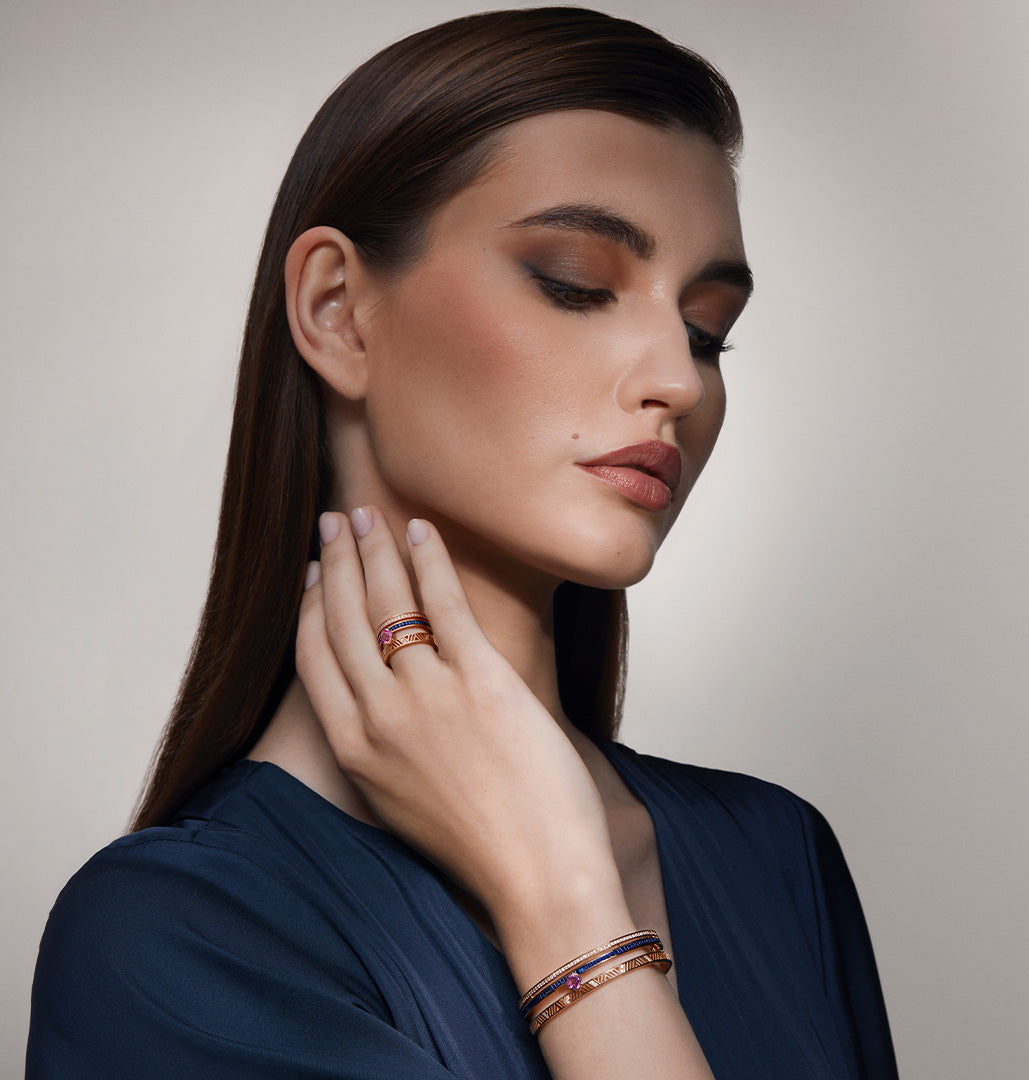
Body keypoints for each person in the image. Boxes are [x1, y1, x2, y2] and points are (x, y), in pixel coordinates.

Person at [26, 8, 898, 1078]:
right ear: (337, 309)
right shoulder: (173, 940)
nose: (678, 378)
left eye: (706, 330)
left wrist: (563, 897)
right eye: (576, 282)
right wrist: (566, 912)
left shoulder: (776, 858)